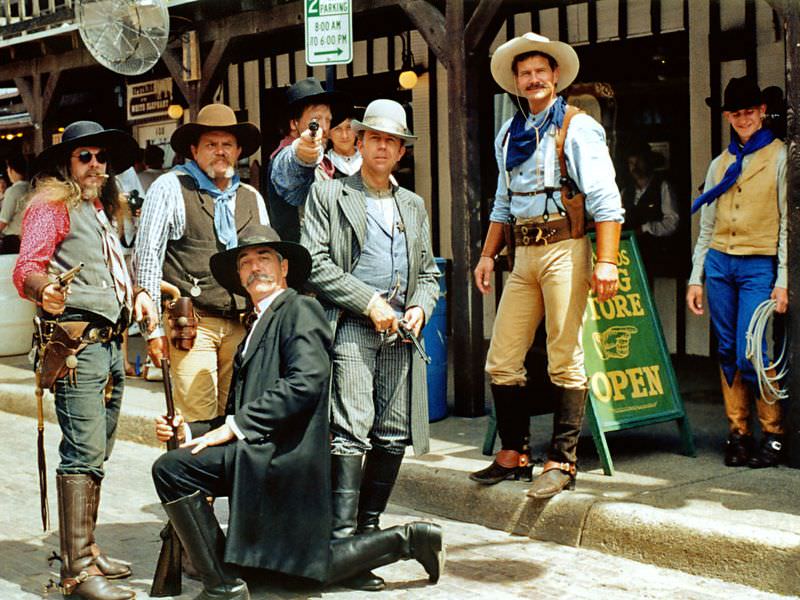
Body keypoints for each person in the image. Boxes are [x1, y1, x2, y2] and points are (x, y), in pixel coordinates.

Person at [152, 224, 444, 599]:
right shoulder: (254, 326)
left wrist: (236, 427)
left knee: (171, 470)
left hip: (286, 458)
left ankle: (222, 586)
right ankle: (410, 539)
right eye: (245, 262)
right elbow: (237, 410)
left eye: (264, 259)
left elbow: (307, 382)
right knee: (299, 573)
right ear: (239, 277)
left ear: (284, 268)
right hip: (260, 451)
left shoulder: (301, 309)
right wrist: (188, 432)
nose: (255, 267)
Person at [469, 33, 623, 498]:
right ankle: (515, 454)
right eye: (525, 73)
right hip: (523, 253)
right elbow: (501, 202)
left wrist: (608, 261)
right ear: (516, 82)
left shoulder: (577, 127)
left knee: (564, 353)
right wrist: (485, 254)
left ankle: (562, 460)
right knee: (502, 357)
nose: (533, 79)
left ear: (555, 76)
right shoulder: (509, 133)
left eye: (540, 71)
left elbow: (605, 199)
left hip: (564, 247)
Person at [13, 120, 157, 600]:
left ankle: (88, 549)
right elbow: (28, 267)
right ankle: (76, 573)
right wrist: (45, 290)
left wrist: (135, 293)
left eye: (101, 157)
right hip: (76, 349)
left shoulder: (100, 209)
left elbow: (110, 272)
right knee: (82, 451)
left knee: (99, 449)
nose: (96, 165)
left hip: (109, 345)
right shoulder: (51, 207)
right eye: (85, 157)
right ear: (65, 164)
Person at [301, 99, 440, 591]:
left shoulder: (413, 205)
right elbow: (314, 264)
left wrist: (421, 305)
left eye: (392, 141)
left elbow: (427, 273)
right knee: (350, 431)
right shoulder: (330, 195)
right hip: (355, 327)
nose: (382, 147)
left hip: (402, 332)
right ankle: (341, 546)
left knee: (393, 433)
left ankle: (367, 537)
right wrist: (369, 303)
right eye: (374, 138)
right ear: (359, 143)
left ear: (402, 151)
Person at [134, 103, 269, 423]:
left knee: (236, 418)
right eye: (211, 144)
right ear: (194, 150)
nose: (220, 151)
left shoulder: (251, 196)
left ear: (238, 151)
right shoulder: (170, 187)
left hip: (242, 325)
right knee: (197, 420)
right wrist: (151, 332)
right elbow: (147, 258)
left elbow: (268, 265)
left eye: (227, 144)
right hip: (192, 326)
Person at [687, 76, 787, 469]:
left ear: (762, 112)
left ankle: (774, 433)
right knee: (727, 349)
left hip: (758, 263)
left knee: (755, 352)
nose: (743, 119)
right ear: (727, 116)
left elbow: (786, 227)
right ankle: (739, 433)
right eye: (736, 113)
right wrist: (697, 276)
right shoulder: (721, 163)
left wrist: (783, 279)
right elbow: (707, 226)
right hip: (720, 263)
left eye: (749, 112)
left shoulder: (780, 157)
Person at [267, 77, 348, 241]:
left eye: (328, 120)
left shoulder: (325, 163)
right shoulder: (283, 157)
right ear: (294, 123)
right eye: (316, 120)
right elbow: (292, 164)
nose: (325, 128)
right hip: (302, 260)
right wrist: (303, 155)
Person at [621, 142, 680, 278]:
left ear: (648, 161)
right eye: (631, 163)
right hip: (631, 257)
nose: (634, 168)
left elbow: (672, 223)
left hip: (657, 257)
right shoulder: (625, 192)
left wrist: (645, 228)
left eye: (638, 162)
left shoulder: (663, 187)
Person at [317, 108, 363, 180]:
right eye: (337, 129)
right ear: (328, 134)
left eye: (349, 127)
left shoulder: (369, 158)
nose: (344, 136)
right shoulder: (324, 165)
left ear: (356, 131)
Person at [0, 153, 31, 253]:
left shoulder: (12, 191)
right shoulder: (32, 187)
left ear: (11, 170)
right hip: (29, 238)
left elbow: (3, 220)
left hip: (13, 241)